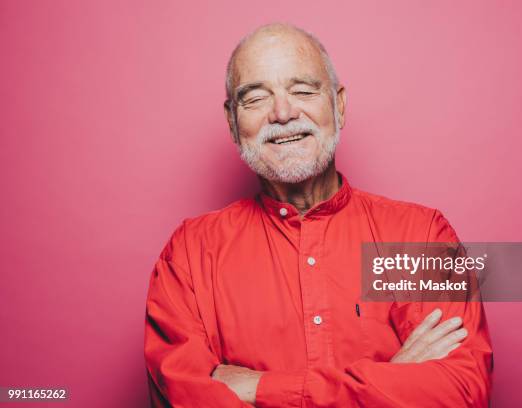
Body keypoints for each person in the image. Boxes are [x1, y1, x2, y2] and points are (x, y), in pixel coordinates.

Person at [144, 22, 493, 407]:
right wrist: (391, 378)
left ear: (338, 105)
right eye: (256, 98)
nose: (282, 112)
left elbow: (459, 394)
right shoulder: (189, 256)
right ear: (232, 121)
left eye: (303, 91)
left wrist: (259, 389)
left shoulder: (419, 235)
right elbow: (184, 398)